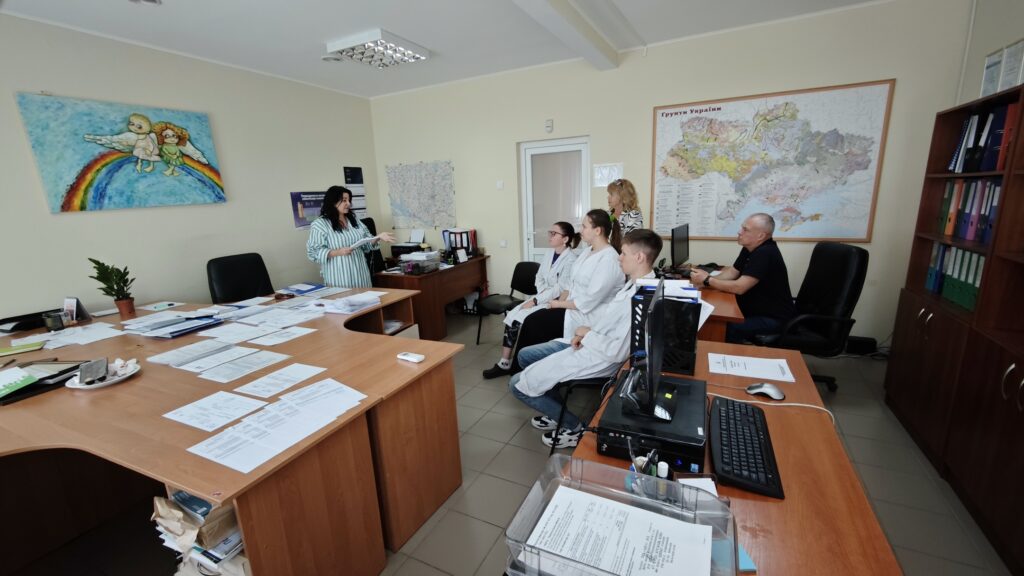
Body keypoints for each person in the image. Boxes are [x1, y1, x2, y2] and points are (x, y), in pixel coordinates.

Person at [509, 229, 662, 449]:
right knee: (526, 356)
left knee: (517, 384)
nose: (619, 258)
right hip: (590, 341)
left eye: (624, 253)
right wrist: (585, 332)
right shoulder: (633, 285)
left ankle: (575, 428)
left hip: (600, 357)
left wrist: (587, 334)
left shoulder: (642, 298)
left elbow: (617, 351)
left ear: (639, 257)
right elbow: (609, 322)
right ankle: (557, 412)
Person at [481, 222, 580, 379]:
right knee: (512, 317)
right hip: (541, 296)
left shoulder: (571, 260)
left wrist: (536, 300)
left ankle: (519, 363)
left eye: (554, 233)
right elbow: (539, 277)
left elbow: (560, 288)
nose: (550, 236)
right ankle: (504, 362)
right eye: (550, 232)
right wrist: (541, 293)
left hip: (555, 302)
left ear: (565, 239)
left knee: (522, 320)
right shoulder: (549, 253)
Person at [689, 213, 796, 343]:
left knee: (722, 326)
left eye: (745, 229)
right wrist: (704, 282)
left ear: (761, 236)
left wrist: (707, 280)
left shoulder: (765, 253)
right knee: (715, 315)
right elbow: (732, 273)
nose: (739, 232)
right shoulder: (750, 248)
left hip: (773, 319)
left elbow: (740, 287)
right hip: (754, 310)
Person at [306, 186, 395, 288]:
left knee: (367, 297)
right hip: (339, 278)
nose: (348, 203)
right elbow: (313, 252)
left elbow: (367, 244)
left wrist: (378, 237)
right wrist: (338, 252)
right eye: (344, 200)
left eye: (349, 200)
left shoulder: (354, 220)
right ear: (333, 202)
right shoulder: (320, 224)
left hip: (361, 274)